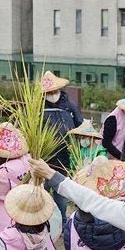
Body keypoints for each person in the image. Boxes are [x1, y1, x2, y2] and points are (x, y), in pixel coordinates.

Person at [41, 70, 82, 215]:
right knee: (42, 192)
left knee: (62, 192)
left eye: (54, 91)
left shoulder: (69, 106)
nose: (53, 94)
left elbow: (80, 125)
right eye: (49, 92)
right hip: (43, 158)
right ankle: (42, 220)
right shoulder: (36, 108)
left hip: (65, 156)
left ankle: (63, 222)